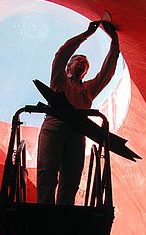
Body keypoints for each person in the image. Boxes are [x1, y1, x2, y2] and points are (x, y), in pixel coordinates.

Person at [37, 18, 119, 205]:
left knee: (72, 178)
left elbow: (107, 72)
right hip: (54, 126)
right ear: (69, 66)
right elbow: (62, 53)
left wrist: (115, 42)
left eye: (85, 63)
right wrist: (87, 34)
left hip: (77, 132)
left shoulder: (89, 89)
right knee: (47, 171)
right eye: (78, 60)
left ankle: (64, 216)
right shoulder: (59, 81)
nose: (82, 62)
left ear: (85, 72)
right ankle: (44, 213)